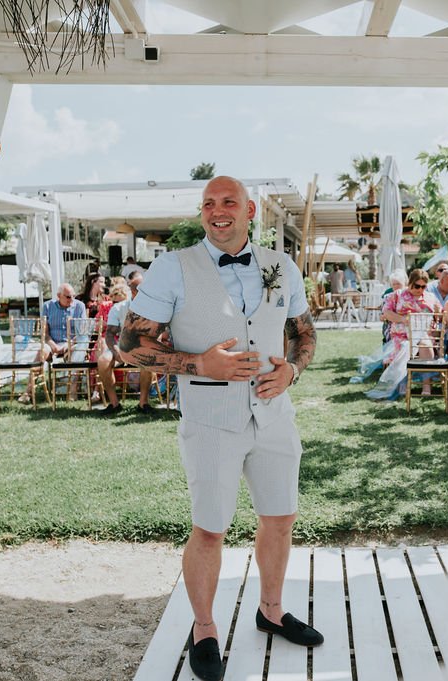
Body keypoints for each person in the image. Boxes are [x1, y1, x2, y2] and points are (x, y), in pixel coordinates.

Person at [118, 176, 321, 681]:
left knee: (281, 517)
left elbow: (304, 333)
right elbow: (129, 346)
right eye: (208, 203)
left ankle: (270, 611)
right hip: (210, 421)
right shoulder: (173, 267)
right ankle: (204, 628)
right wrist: (199, 364)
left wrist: (292, 371)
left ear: (250, 211)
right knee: (210, 528)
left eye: (228, 201)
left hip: (274, 416)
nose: (217, 210)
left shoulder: (281, 265)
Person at [19, 283, 85, 403]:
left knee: (78, 351)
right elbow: (44, 333)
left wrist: (68, 344)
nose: (72, 299)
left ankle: (73, 390)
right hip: (52, 343)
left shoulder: (79, 306)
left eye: (73, 296)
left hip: (71, 343)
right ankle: (28, 392)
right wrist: (53, 345)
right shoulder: (48, 306)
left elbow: (82, 332)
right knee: (41, 352)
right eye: (68, 297)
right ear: (59, 296)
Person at [97, 271, 152, 415]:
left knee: (149, 359)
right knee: (103, 361)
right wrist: (115, 350)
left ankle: (143, 403)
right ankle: (114, 404)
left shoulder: (152, 309)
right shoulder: (119, 308)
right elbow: (110, 334)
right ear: (133, 292)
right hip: (121, 347)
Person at [380, 268, 441, 396]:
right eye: (417, 286)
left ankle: (426, 385)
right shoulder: (397, 295)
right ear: (410, 283)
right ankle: (402, 383)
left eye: (423, 287)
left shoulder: (430, 297)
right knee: (404, 347)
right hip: (401, 334)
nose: (420, 289)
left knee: (426, 346)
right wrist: (403, 319)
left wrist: (436, 315)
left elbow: (440, 314)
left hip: (423, 333)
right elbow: (387, 312)